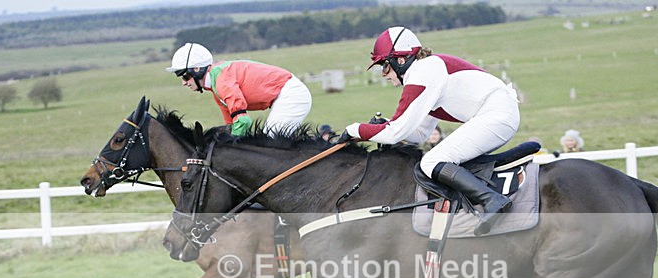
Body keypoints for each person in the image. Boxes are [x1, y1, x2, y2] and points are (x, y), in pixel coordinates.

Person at [340, 27, 520, 235]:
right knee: (435, 159)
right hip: (498, 114)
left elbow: (395, 133)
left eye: (385, 66)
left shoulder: (423, 72)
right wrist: (381, 126)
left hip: (496, 115)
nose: (383, 74)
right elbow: (420, 134)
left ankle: (492, 201)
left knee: (431, 162)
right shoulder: (427, 72)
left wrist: (355, 129)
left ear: (400, 60)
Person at [167, 42, 312, 137]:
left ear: (197, 69)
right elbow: (231, 127)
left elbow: (243, 122)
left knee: (268, 143)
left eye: (185, 77)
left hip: (291, 95)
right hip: (284, 95)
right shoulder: (216, 90)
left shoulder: (222, 81)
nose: (183, 83)